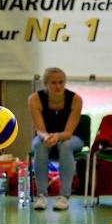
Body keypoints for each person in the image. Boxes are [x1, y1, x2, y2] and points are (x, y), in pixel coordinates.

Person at [28, 67, 84, 211]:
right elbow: (39, 129)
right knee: (40, 146)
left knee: (64, 145)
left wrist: (57, 136)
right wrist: (46, 137)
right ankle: (41, 195)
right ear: (45, 84)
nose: (58, 86)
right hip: (44, 136)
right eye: (53, 83)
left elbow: (69, 132)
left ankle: (64, 196)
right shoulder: (35, 99)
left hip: (71, 138)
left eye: (61, 82)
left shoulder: (76, 99)